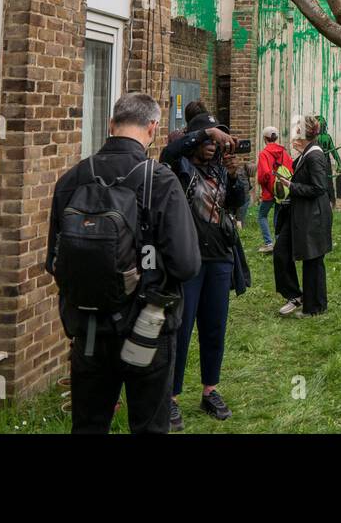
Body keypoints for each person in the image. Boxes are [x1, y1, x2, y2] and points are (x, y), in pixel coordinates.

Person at [47, 93, 200, 434]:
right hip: (148, 326)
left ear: (112, 125)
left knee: (88, 425)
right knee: (148, 425)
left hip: (88, 329)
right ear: (153, 128)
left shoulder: (72, 180)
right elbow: (187, 264)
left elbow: (54, 261)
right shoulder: (159, 181)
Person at [160, 112, 248, 430]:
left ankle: (210, 390)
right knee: (180, 332)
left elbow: (238, 203)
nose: (213, 145)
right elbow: (168, 152)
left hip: (220, 258)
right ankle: (170, 398)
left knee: (214, 328)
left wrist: (235, 177)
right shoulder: (179, 167)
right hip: (189, 260)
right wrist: (204, 132)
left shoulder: (221, 170)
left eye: (217, 140)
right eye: (208, 139)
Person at [274, 116, 335, 317]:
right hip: (301, 215)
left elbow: (319, 187)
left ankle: (315, 307)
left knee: (313, 261)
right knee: (282, 252)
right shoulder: (307, 153)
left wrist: (291, 186)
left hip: (313, 216)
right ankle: (299, 297)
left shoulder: (314, 155)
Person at [256, 126, 292, 254]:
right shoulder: (283, 152)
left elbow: (264, 174)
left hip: (268, 191)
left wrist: (264, 183)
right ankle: (280, 243)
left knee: (262, 216)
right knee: (278, 216)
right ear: (276, 137)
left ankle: (268, 243)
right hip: (282, 191)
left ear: (265, 138)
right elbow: (291, 169)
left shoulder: (264, 154)